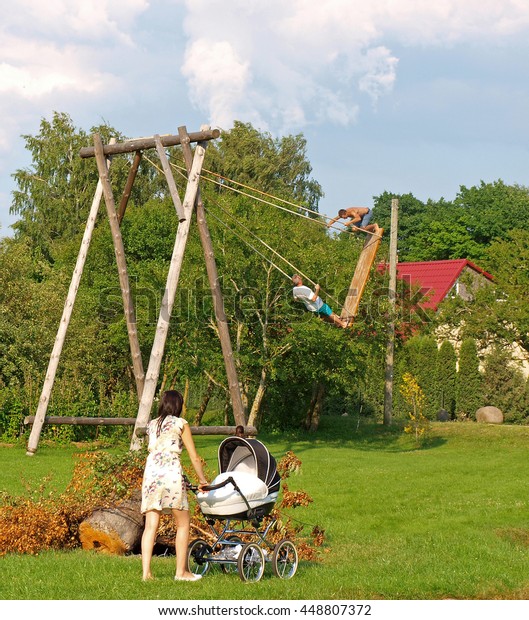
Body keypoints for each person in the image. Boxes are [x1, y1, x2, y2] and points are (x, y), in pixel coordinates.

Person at [140, 390, 208, 582]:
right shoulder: (181, 423)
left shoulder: (151, 425)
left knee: (150, 526)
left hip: (151, 474)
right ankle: (181, 572)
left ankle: (146, 574)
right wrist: (202, 480)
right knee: (183, 523)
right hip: (170, 474)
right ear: (178, 405)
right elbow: (194, 456)